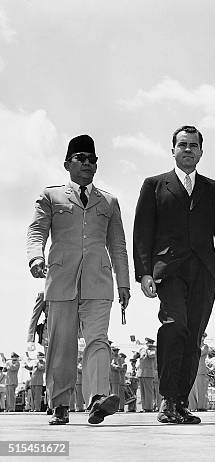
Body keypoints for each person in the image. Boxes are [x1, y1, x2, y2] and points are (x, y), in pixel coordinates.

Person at [133, 125, 215, 424]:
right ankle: (167, 399)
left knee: (193, 337)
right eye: (183, 145)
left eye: (194, 145)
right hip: (169, 271)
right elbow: (142, 231)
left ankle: (180, 402)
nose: (188, 149)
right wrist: (144, 273)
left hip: (204, 271)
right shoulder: (154, 185)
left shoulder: (213, 188)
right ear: (173, 150)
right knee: (174, 325)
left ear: (201, 152)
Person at [26, 134, 131, 425]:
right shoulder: (51, 196)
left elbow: (118, 244)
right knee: (62, 343)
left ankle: (97, 399)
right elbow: (37, 231)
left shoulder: (109, 201)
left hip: (98, 280)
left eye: (92, 160)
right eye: (80, 159)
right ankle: (60, 403)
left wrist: (123, 282)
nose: (87, 164)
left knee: (99, 340)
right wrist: (36, 257)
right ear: (67, 163)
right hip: (61, 279)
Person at [188, 334, 210, 411]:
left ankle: (201, 406)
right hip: (192, 370)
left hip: (200, 371)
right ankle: (192, 407)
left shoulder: (205, 346)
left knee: (200, 390)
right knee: (192, 390)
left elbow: (199, 353)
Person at [138, 338, 157, 412]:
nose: (147, 344)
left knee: (148, 392)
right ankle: (144, 407)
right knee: (143, 392)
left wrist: (148, 349)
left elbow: (151, 355)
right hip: (141, 373)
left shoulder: (152, 350)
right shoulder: (143, 349)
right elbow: (137, 356)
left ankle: (149, 407)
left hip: (148, 373)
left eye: (149, 343)